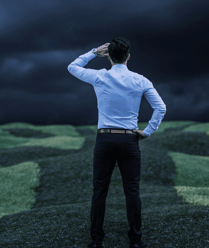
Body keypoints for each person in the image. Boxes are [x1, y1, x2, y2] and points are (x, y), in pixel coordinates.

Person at [67, 37, 166, 248]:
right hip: (130, 140)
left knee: (99, 190)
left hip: (104, 139)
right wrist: (148, 131)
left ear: (109, 57)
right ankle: (136, 240)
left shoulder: (100, 77)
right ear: (128, 57)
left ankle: (96, 240)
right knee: (132, 191)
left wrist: (94, 52)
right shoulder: (141, 80)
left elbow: (72, 66)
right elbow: (161, 108)